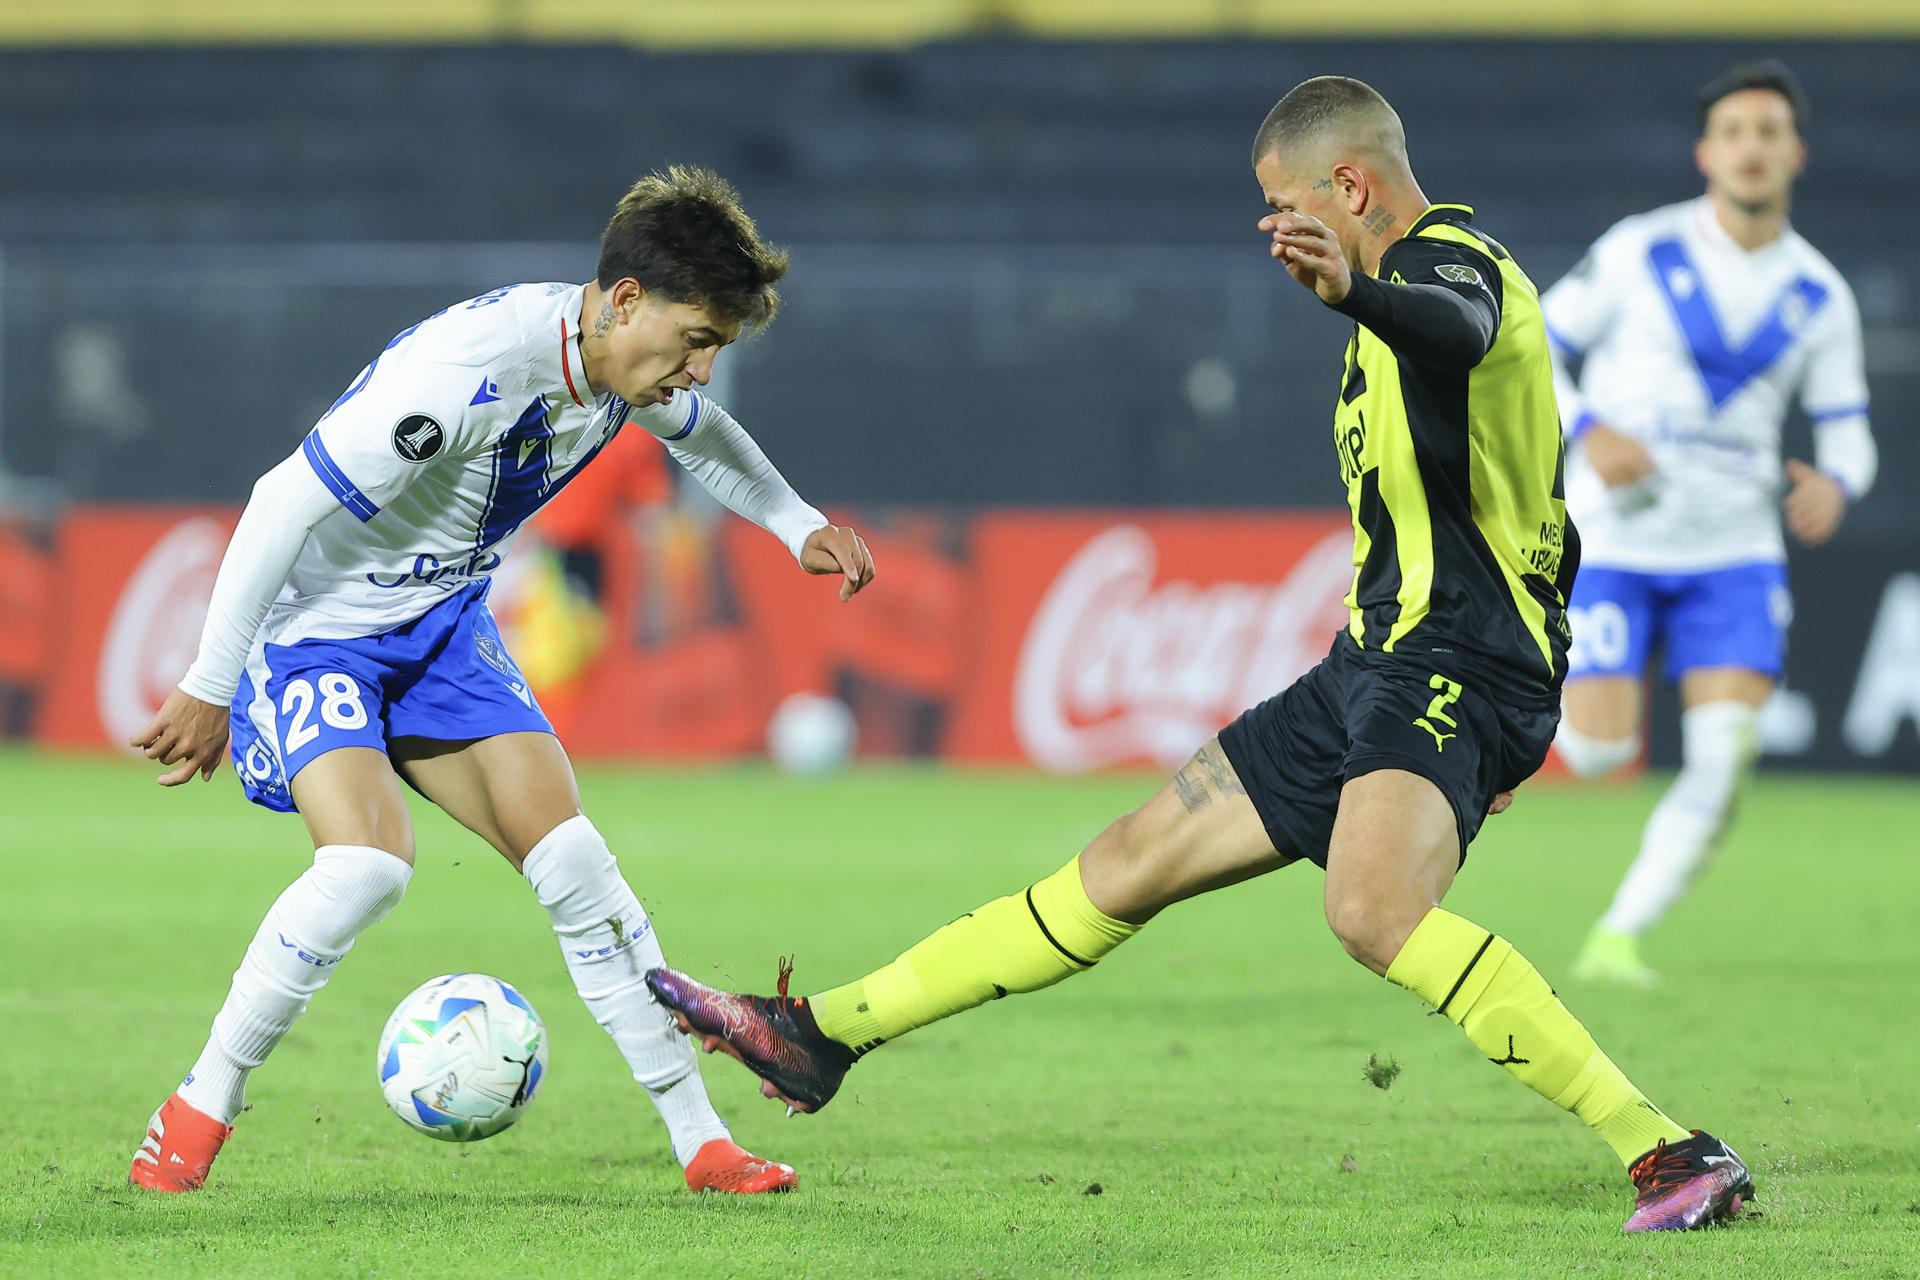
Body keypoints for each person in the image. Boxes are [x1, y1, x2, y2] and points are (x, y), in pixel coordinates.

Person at [646, 77, 1751, 1234]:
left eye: (1286, 203)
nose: (1277, 226)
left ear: (1352, 186)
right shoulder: (1382, 315)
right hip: (1378, 665)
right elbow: (1542, 512)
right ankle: (821, 1035)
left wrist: (1360, 291)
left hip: (1453, 662)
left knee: (1372, 912)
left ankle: (1673, 1150)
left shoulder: (1457, 264)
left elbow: (1463, 329)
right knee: (1127, 860)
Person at [127, 166, 876, 1196]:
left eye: (714, 349)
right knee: (369, 865)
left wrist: (800, 527)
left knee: (576, 864)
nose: (699, 370)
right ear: (624, 301)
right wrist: (211, 682)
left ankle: (704, 1144)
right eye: (696, 339)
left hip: (440, 626)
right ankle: (200, 1104)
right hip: (319, 634)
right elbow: (278, 501)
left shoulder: (620, 369)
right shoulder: (468, 370)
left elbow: (709, 442)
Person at [1543, 62, 1877, 987]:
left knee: (1725, 756)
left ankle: (1618, 937)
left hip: (1735, 552)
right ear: (1707, 152)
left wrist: (1839, 484)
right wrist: (1588, 427)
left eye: (1770, 131)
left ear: (1794, 153)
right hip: (1615, 538)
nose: (1753, 147)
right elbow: (1535, 340)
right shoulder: (1638, 251)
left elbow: (1851, 436)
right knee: (1603, 751)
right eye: (1736, 131)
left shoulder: (1820, 294)